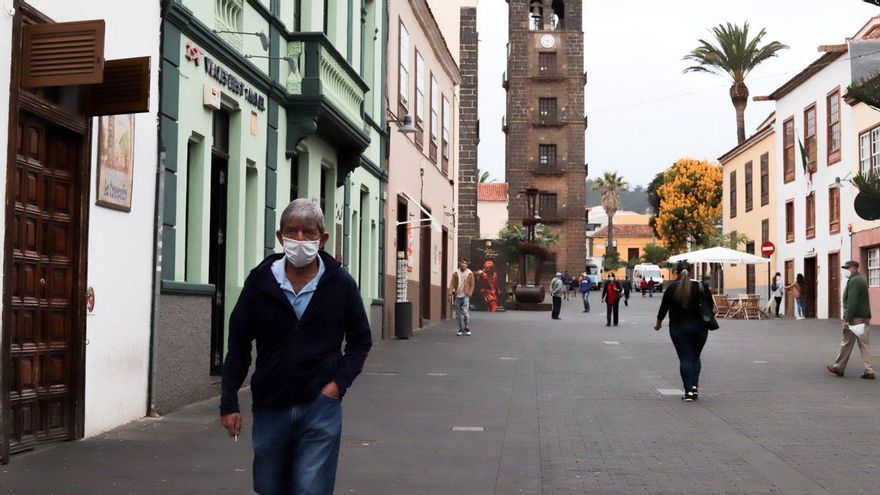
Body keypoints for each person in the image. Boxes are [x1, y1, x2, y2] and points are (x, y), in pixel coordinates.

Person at [220, 199, 372, 494]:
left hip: (320, 406)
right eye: (292, 231)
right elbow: (238, 344)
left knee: (311, 488)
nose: (300, 239)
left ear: (322, 238)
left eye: (308, 232)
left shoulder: (340, 283)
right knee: (269, 486)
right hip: (270, 405)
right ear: (280, 237)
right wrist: (229, 403)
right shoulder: (261, 282)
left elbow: (360, 340)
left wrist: (337, 385)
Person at [654, 262, 713, 402]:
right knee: (695, 357)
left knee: (685, 358)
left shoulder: (672, 288)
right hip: (700, 328)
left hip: (678, 328)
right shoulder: (701, 287)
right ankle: (694, 388)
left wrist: (658, 324)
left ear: (677, 272)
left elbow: (663, 309)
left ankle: (688, 392)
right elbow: (711, 308)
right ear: (691, 271)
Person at [827, 260, 875, 379]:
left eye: (847, 268)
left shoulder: (854, 281)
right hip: (864, 316)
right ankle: (869, 370)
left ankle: (838, 367)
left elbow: (852, 301)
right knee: (864, 344)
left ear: (855, 268)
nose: (846, 271)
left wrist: (847, 319)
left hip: (854, 317)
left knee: (846, 342)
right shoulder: (862, 279)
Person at [449, 259, 475, 335]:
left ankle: (466, 326)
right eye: (462, 263)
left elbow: (472, 284)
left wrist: (469, 293)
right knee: (458, 315)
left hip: (465, 296)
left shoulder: (470, 273)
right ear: (459, 264)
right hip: (458, 296)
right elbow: (452, 284)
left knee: (464, 311)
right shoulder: (456, 273)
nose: (463, 264)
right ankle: (461, 328)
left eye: (465, 263)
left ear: (467, 265)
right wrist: (449, 294)